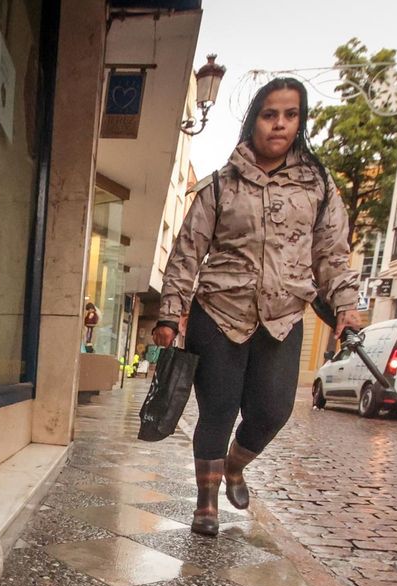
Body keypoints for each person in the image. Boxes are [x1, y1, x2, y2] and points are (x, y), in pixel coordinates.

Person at [152, 78, 362, 536]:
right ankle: (206, 502)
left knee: (273, 410)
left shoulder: (318, 186)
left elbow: (332, 254)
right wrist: (169, 313)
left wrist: (346, 306)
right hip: (218, 313)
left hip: (283, 317)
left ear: (300, 122)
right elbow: (187, 252)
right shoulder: (220, 186)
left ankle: (235, 465)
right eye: (270, 115)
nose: (279, 124)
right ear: (254, 121)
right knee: (217, 410)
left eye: (290, 115)